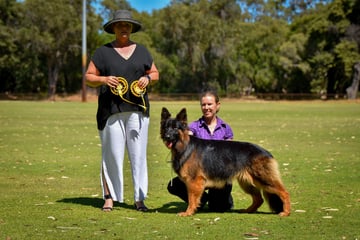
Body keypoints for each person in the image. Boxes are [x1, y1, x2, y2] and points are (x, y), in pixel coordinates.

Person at [85, 10, 159, 212]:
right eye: (120, 25)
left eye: (127, 25)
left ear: (132, 28)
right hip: (110, 111)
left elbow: (155, 72)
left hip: (137, 110)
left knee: (139, 156)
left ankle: (139, 199)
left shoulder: (142, 51)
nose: (124, 28)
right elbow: (89, 77)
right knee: (111, 154)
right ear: (114, 28)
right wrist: (103, 79)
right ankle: (109, 198)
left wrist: (148, 79)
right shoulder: (102, 52)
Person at [167, 90, 234, 212]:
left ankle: (220, 198)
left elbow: (228, 154)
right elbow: (185, 141)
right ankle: (199, 201)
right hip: (198, 171)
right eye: (203, 105)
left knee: (219, 207)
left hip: (217, 174)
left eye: (210, 104)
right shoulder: (193, 127)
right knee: (175, 184)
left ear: (217, 105)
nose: (206, 108)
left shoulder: (225, 128)